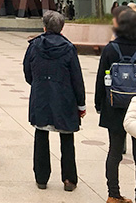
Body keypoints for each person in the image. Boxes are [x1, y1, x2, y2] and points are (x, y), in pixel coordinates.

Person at [95, 7, 136, 203]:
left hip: (114, 106)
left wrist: (99, 103)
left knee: (114, 151)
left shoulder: (110, 49)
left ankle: (113, 194)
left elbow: (101, 78)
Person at [23, 11, 85, 192]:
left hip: (41, 96)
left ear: (44, 27)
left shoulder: (34, 46)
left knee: (41, 136)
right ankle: (69, 179)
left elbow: (27, 72)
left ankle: (41, 178)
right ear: (62, 28)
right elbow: (77, 78)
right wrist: (81, 104)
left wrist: (38, 84)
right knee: (67, 138)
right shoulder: (68, 48)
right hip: (64, 98)